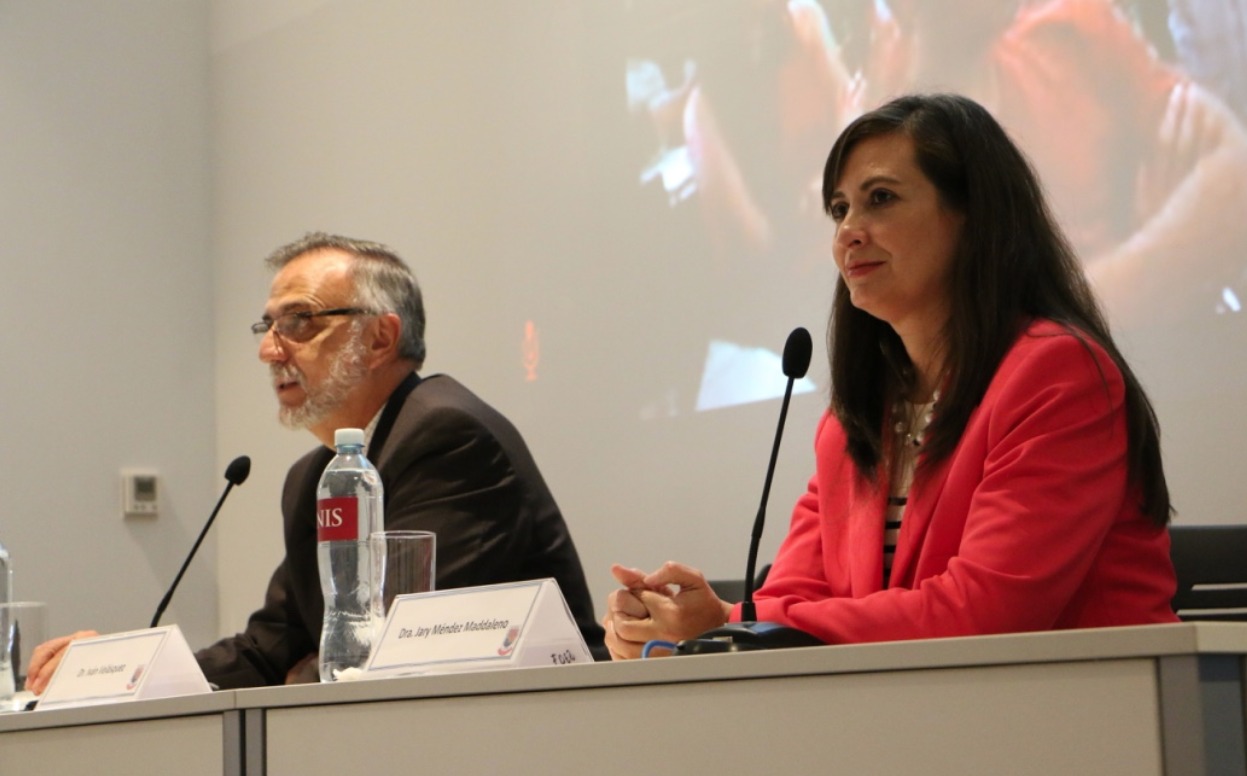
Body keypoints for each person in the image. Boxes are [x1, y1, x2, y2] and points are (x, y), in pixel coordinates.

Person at [603, 93, 1179, 659]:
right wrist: (683, 628)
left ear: (972, 215)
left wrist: (733, 623)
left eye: (880, 199)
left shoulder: (1055, 374)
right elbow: (793, 596)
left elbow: (986, 614)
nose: (848, 232)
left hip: (1100, 721)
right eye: (839, 209)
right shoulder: (859, 417)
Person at [28, 232, 606, 690]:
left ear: (381, 338)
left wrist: (308, 671)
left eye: (298, 322)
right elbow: (271, 643)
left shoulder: (446, 434)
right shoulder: (315, 476)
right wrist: (121, 674)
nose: (267, 349)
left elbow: (408, 643)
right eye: (267, 325)